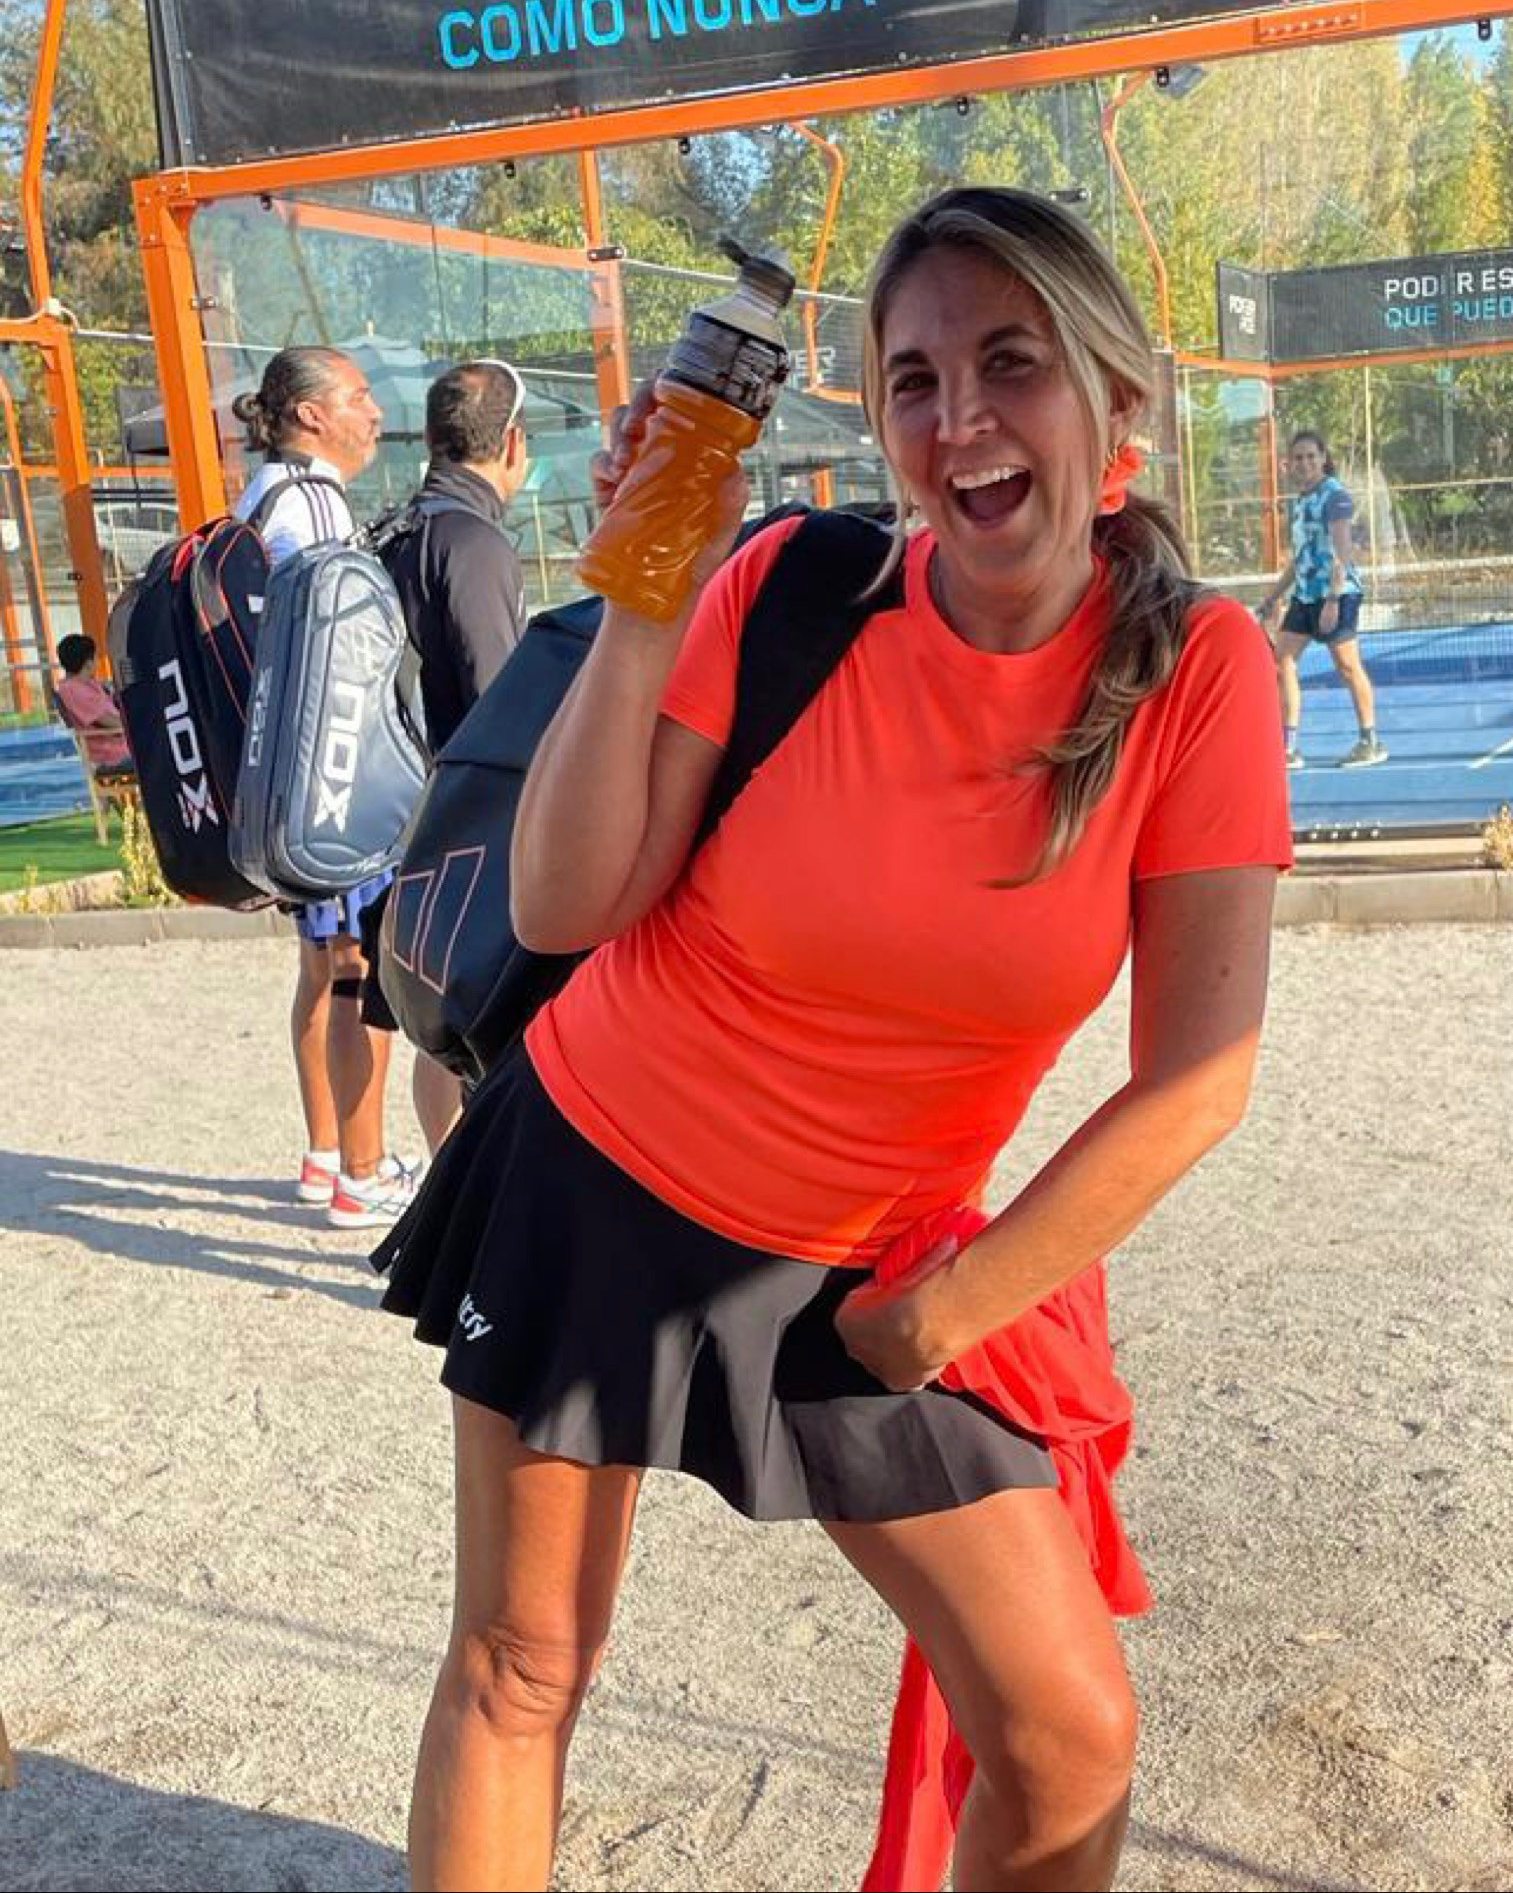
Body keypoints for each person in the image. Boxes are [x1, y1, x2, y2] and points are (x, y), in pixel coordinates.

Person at [374, 186, 1291, 1893]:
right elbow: (565, 906)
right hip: (601, 1174)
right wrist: (651, 589)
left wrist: (945, 1310)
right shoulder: (801, 586)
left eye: (1009, 363)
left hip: (870, 1265)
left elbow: (1199, 1076)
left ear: (1114, 399)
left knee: (1065, 1734)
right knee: (522, 1666)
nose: (960, 420)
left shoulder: (1199, 673)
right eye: (914, 380)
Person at [231, 346, 415, 1229]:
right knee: (358, 969)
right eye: (358, 396)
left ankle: (324, 1152)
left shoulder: (263, 497)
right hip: (327, 772)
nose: (373, 413)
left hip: (281, 773)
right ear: (311, 415)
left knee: (321, 965)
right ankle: (363, 1172)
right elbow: (335, 648)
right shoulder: (313, 504)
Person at [378, 356, 531, 1152]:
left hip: (404, 816)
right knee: (487, 1019)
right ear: (514, 443)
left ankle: (444, 1175)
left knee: (436, 1018)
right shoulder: (474, 544)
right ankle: (469, 1187)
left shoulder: (397, 531)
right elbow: (502, 703)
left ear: (434, 438)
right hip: (468, 828)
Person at [1261, 430, 1386, 769]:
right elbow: (1300, 558)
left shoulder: (1335, 496)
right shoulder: (1299, 502)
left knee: (1347, 666)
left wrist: (1332, 600)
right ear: (1290, 463)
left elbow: (1342, 553)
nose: (1304, 463)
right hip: (1304, 597)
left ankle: (1370, 741)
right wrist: (1273, 596)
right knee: (1282, 661)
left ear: (1323, 459)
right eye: (1298, 458)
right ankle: (1288, 748)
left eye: (1311, 457)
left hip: (1337, 594)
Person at [53, 633, 132, 774]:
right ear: (89, 663)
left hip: (122, 747)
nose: (97, 661)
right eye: (96, 657)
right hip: (113, 755)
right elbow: (110, 723)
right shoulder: (74, 691)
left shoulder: (85, 684)